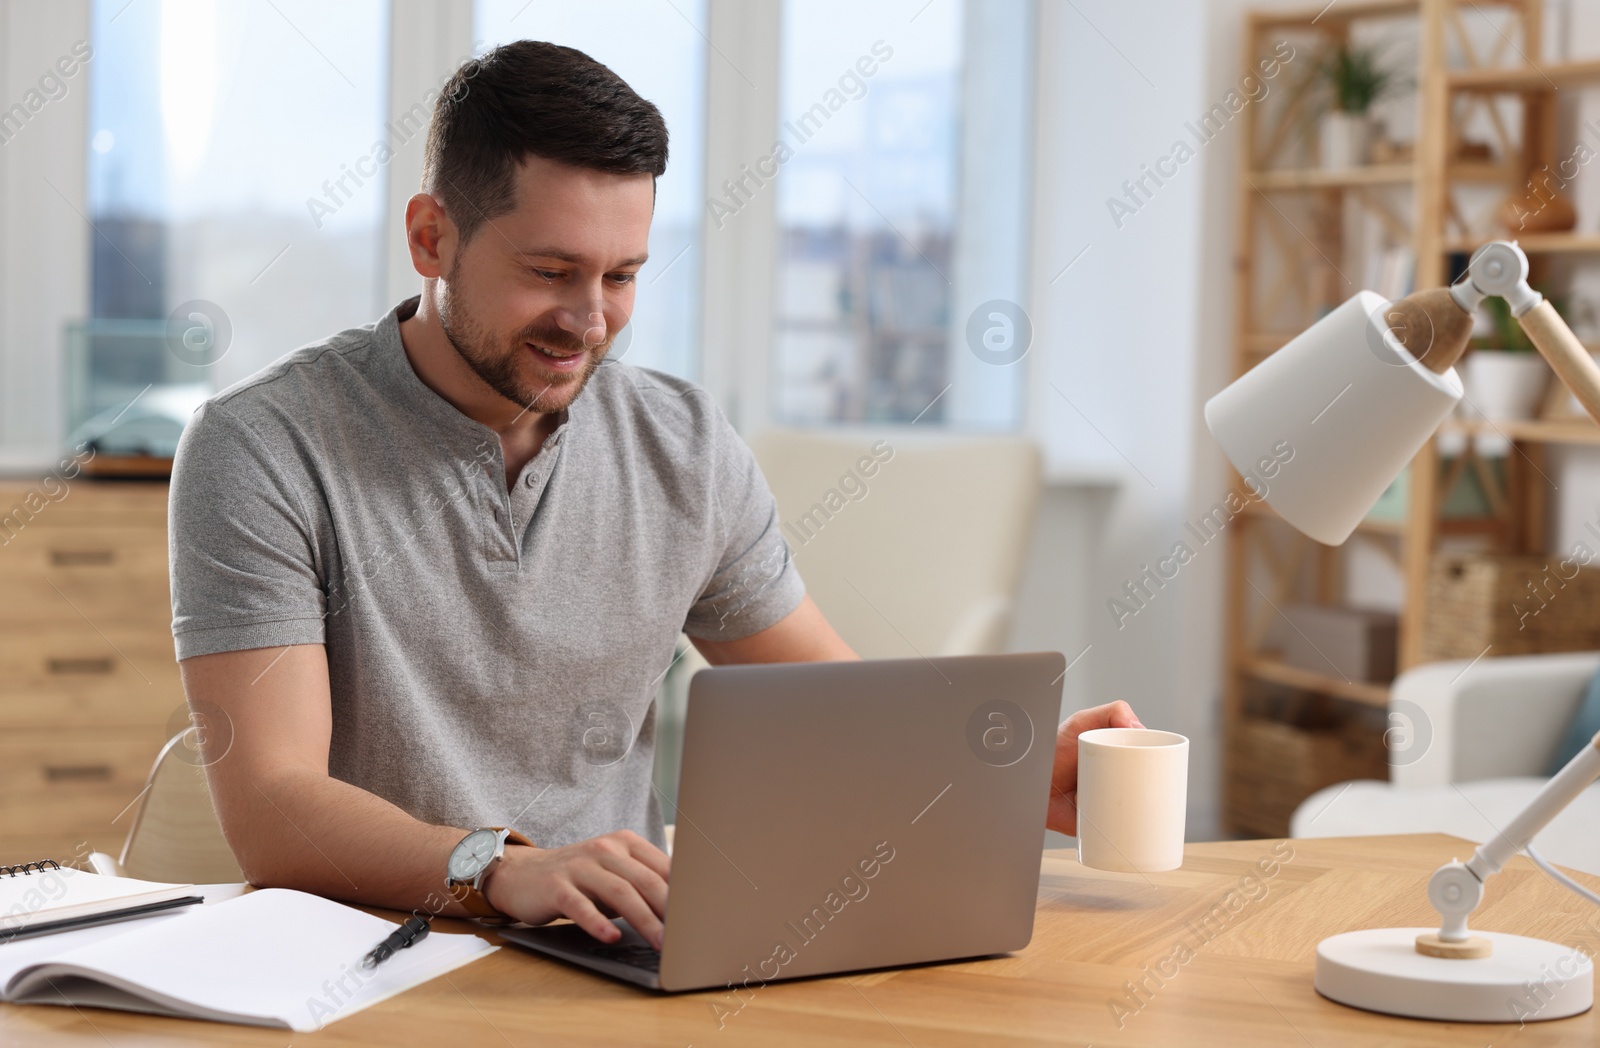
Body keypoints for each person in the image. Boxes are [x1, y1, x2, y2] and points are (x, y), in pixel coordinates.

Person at [170, 41, 1142, 954]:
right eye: (550, 272)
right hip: (364, 959)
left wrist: (1005, 773)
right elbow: (273, 805)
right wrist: (501, 867)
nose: (590, 320)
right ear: (432, 237)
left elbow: (828, 709)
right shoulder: (263, 445)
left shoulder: (682, 446)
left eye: (622, 275)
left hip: (614, 954)